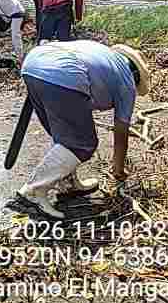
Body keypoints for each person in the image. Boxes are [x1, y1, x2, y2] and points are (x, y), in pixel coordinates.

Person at [16, 40, 151, 219]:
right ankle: (33, 190)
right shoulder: (126, 82)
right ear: (137, 76)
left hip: (33, 64)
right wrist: (118, 169)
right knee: (82, 143)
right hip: (64, 73)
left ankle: (68, 183)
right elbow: (121, 131)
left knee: (64, 136)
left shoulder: (103, 55)